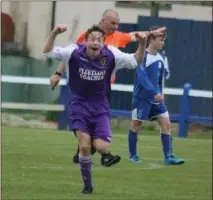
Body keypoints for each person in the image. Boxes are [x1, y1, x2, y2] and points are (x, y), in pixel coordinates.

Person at [49, 9, 166, 165]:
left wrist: (152, 33)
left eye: (118, 23)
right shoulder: (87, 36)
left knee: (97, 120)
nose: (116, 26)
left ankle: (85, 152)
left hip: (103, 89)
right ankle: (98, 153)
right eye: (113, 23)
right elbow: (70, 56)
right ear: (103, 20)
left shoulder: (117, 37)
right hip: (85, 87)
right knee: (87, 118)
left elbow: (134, 35)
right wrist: (57, 73)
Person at [43, 24, 147, 194]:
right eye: (92, 39)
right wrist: (54, 32)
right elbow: (47, 52)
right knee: (84, 146)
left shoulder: (112, 54)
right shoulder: (73, 52)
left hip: (101, 107)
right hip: (79, 105)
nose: (96, 42)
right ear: (86, 41)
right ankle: (88, 185)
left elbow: (136, 60)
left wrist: (142, 45)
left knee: (101, 144)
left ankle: (92, 142)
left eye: (99, 39)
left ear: (103, 42)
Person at [127, 25, 184, 165]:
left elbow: (160, 79)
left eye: (164, 40)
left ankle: (168, 156)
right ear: (151, 40)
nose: (163, 43)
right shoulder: (142, 56)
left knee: (167, 125)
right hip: (142, 98)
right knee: (136, 125)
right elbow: (142, 77)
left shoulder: (161, 57)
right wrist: (154, 92)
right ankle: (133, 156)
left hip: (157, 99)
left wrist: (160, 94)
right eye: (160, 39)